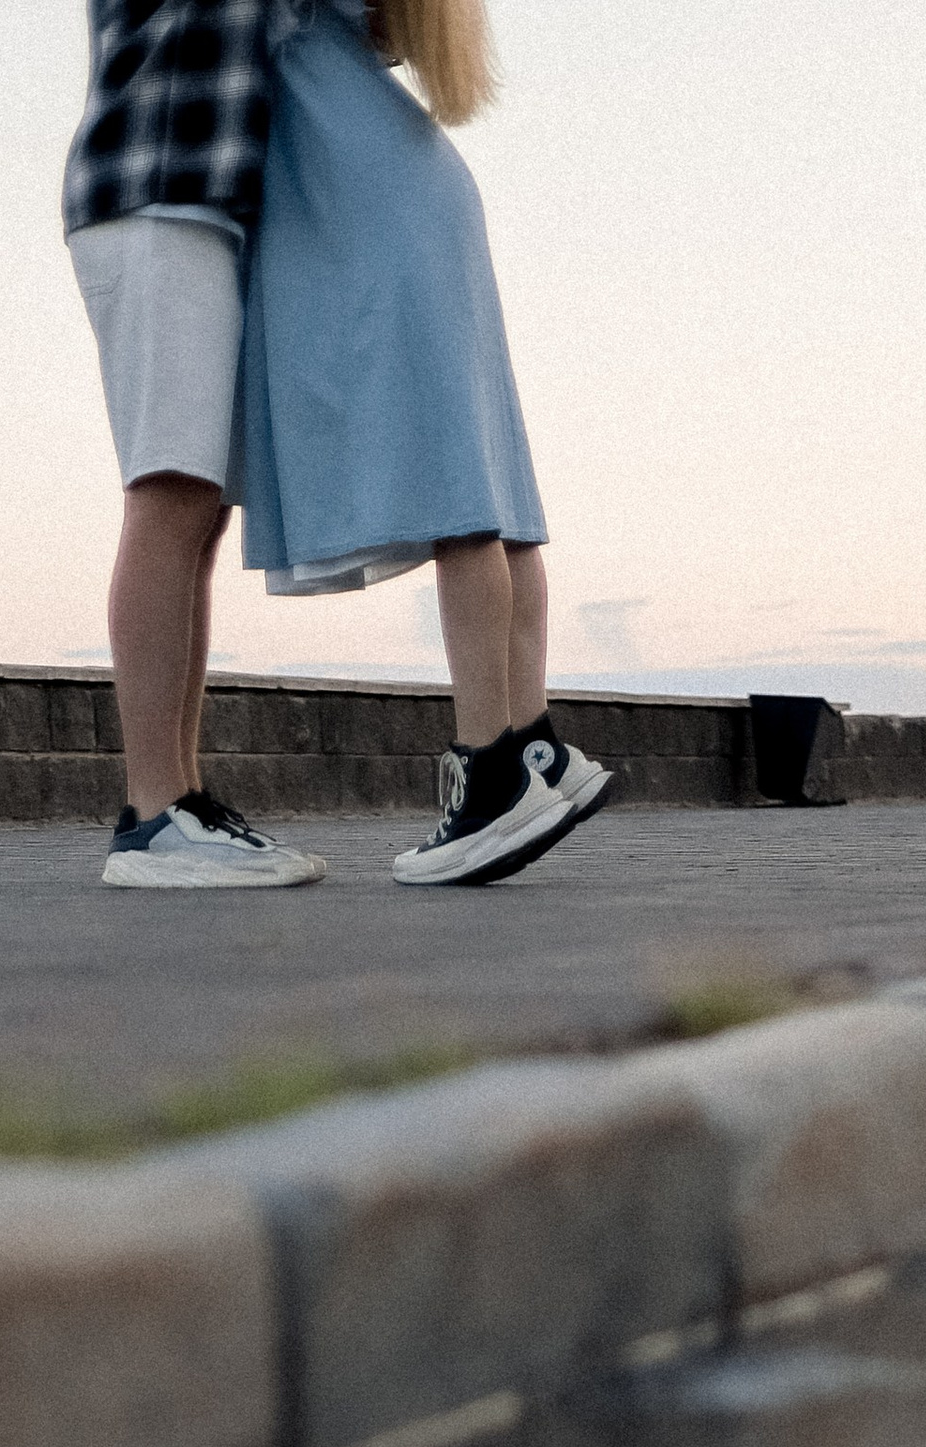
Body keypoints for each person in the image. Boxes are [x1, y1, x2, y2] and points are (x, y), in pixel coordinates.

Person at [241, 0, 616, 889]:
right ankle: (532, 748)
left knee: (460, 488)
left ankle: (489, 771)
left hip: (368, 194)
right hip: (407, 182)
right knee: (490, 482)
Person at [64, 1, 329, 891]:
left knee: (198, 511)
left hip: (189, 198)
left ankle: (180, 801)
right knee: (169, 491)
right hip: (154, 190)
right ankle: (150, 815)